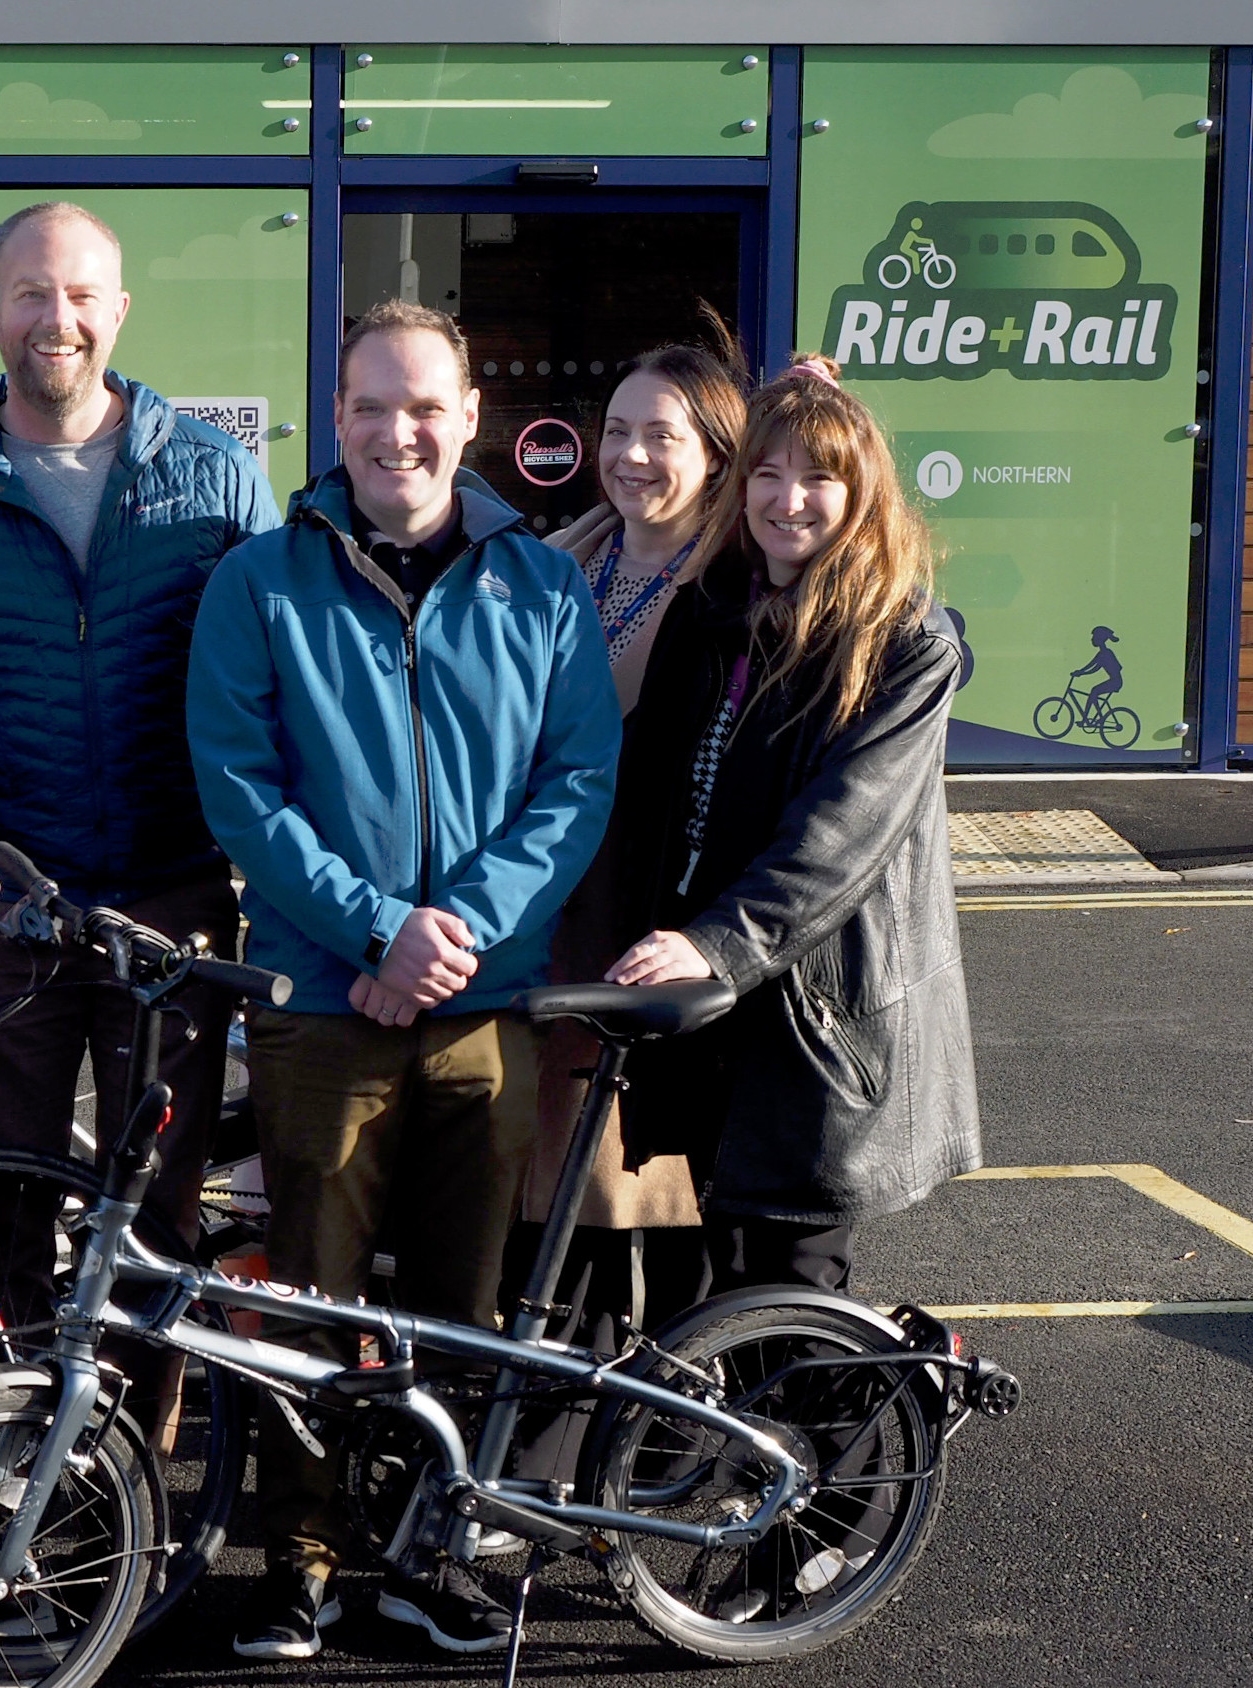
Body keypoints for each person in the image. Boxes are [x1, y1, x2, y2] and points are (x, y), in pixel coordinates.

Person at [187, 298, 619, 1661]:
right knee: (308, 1305)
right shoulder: (261, 581)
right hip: (324, 1003)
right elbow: (241, 790)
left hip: (483, 1007)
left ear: (469, 417)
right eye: (370, 405)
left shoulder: (541, 584)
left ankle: (428, 1556)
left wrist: (455, 935)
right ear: (337, 417)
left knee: (460, 1310)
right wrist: (377, 934)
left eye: (425, 405)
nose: (398, 432)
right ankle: (303, 1564)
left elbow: (577, 782)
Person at [0, 202, 278, 1377]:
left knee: (155, 1217)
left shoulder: (216, 477)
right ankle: (13, 1453)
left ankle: (133, 1462)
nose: (56, 317)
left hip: (171, 900)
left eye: (79, 294)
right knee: (5, 1205)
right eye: (31, 292)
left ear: (118, 310)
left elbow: (280, 685)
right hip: (6, 903)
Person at [601, 354, 981, 1299]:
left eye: (819, 477)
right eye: (767, 473)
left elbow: (839, 837)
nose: (789, 499)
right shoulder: (713, 609)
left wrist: (714, 946)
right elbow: (650, 786)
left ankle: (852, 1405)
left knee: (792, 1290)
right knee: (706, 1288)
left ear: (862, 493)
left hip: (811, 1012)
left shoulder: (904, 643)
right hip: (709, 1002)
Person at [503, 335, 750, 1404]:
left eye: (662, 435)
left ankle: (654, 1422)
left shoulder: (734, 584)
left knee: (633, 1189)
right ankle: (548, 1415)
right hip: (541, 907)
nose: (631, 456)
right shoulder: (565, 557)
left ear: (717, 454)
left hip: (644, 915)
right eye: (616, 431)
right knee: (544, 1181)